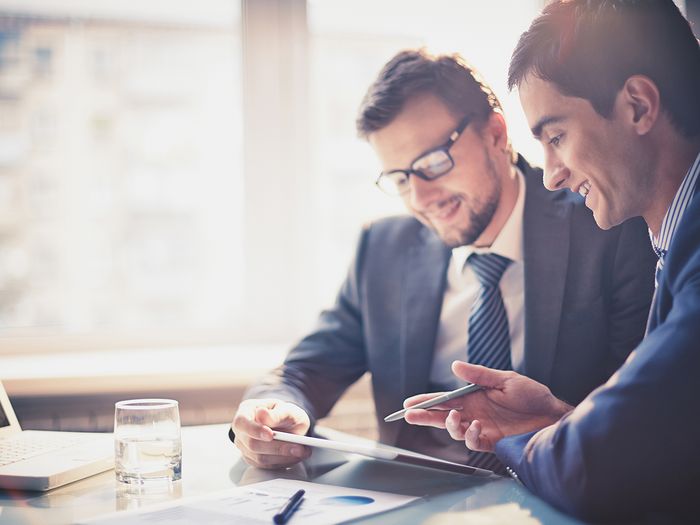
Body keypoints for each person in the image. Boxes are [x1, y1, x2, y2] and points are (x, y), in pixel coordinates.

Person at [230, 49, 655, 474]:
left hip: (551, 495)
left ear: (495, 134)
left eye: (433, 163)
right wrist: (272, 409)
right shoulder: (383, 249)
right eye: (399, 178)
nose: (420, 198)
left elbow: (639, 419)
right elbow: (306, 369)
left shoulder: (606, 226)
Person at [403, 1, 700, 522]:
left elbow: (595, 466)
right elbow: (668, 444)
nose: (552, 176)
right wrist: (561, 418)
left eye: (557, 137)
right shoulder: (675, 243)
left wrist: (534, 437)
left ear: (637, 106)